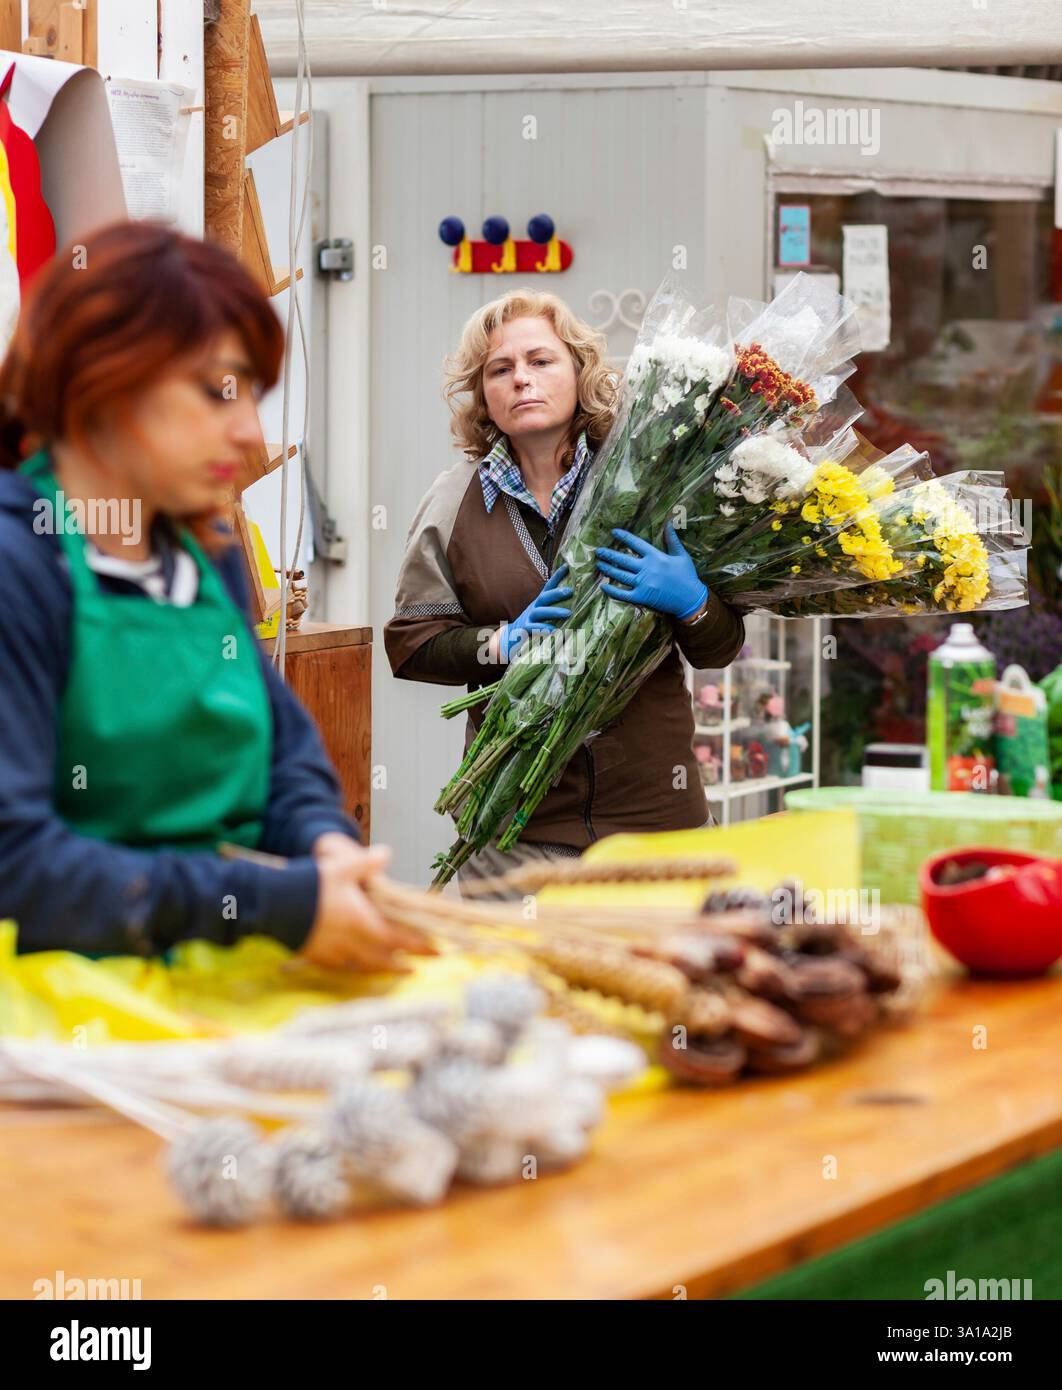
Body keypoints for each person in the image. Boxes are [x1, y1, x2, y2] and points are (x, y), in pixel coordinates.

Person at [0, 220, 429, 972]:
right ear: (104, 377)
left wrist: (325, 848)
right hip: (54, 1033)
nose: (247, 431)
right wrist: (276, 905)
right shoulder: (20, 563)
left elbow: (283, 757)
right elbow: (18, 864)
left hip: (211, 989)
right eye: (216, 391)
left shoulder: (206, 558)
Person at [384, 288, 745, 897]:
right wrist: (501, 643)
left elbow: (719, 647)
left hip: (658, 825)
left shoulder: (654, 481)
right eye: (500, 370)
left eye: (541, 360)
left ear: (580, 371)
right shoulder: (452, 501)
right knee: (498, 988)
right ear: (484, 396)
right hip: (515, 835)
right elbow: (411, 645)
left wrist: (693, 602)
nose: (521, 379)